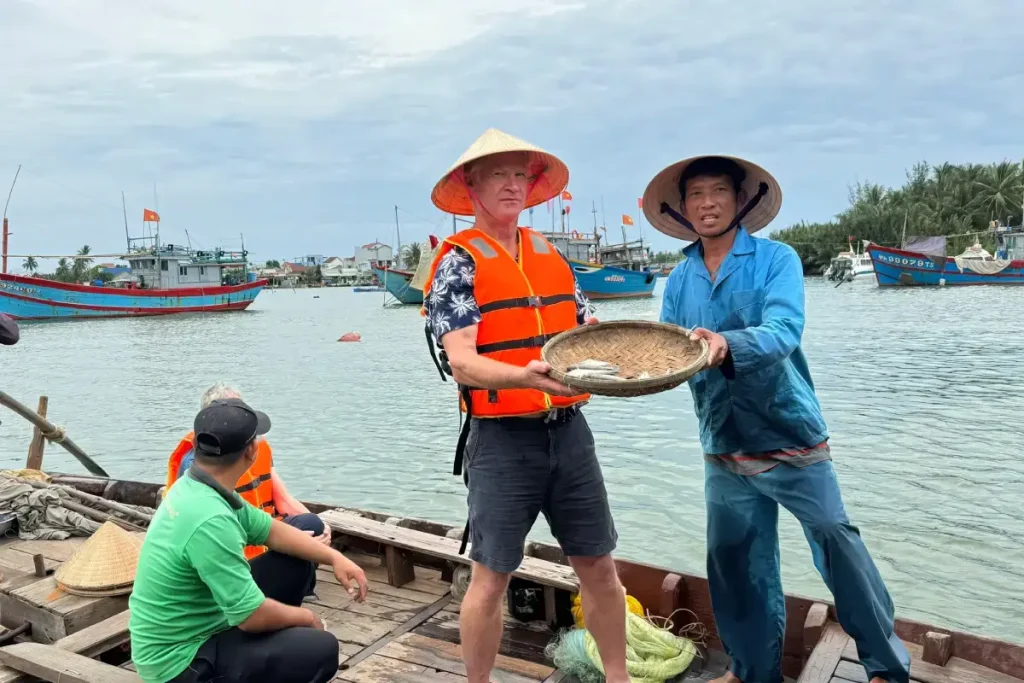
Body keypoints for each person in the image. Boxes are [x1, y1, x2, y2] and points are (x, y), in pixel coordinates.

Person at [644, 155, 911, 683]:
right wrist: (627, 371)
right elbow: (668, 351)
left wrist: (727, 344)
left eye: (719, 190)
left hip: (789, 433)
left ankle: (885, 665)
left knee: (836, 539)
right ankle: (750, 671)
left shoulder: (777, 259)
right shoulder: (678, 280)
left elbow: (785, 329)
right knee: (735, 563)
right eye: (696, 194)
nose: (708, 203)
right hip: (723, 441)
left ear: (741, 200)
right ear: (682, 208)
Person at [420, 128, 629, 683]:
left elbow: (586, 333)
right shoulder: (457, 263)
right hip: (502, 440)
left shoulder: (550, 254)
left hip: (570, 432)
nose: (512, 185)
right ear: (472, 184)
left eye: (520, 175)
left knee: (600, 567)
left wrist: (622, 355)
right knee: (491, 577)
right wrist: (526, 375)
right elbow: (461, 361)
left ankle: (619, 677)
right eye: (498, 174)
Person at [130, 397, 368, 683]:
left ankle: (271, 648)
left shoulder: (200, 485)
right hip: (179, 662)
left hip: (207, 620)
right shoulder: (210, 519)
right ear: (252, 450)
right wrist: (307, 619)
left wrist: (334, 557)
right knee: (321, 650)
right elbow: (250, 615)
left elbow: (271, 531)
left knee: (296, 561)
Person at [166, 383, 330, 579]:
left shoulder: (256, 447)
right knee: (299, 551)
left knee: (313, 525)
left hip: (258, 532)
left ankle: (297, 586)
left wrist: (318, 529)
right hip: (230, 554)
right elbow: (216, 534)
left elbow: (281, 498)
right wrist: (294, 544)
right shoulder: (198, 468)